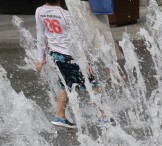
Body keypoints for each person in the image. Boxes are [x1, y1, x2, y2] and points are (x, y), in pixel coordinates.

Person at [35, 0, 108, 128]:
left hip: (56, 55)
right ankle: (103, 117)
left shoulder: (39, 11)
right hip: (71, 55)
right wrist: (85, 63)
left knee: (65, 84)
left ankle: (60, 116)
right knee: (91, 83)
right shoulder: (67, 15)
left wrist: (40, 59)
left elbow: (41, 35)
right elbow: (77, 41)